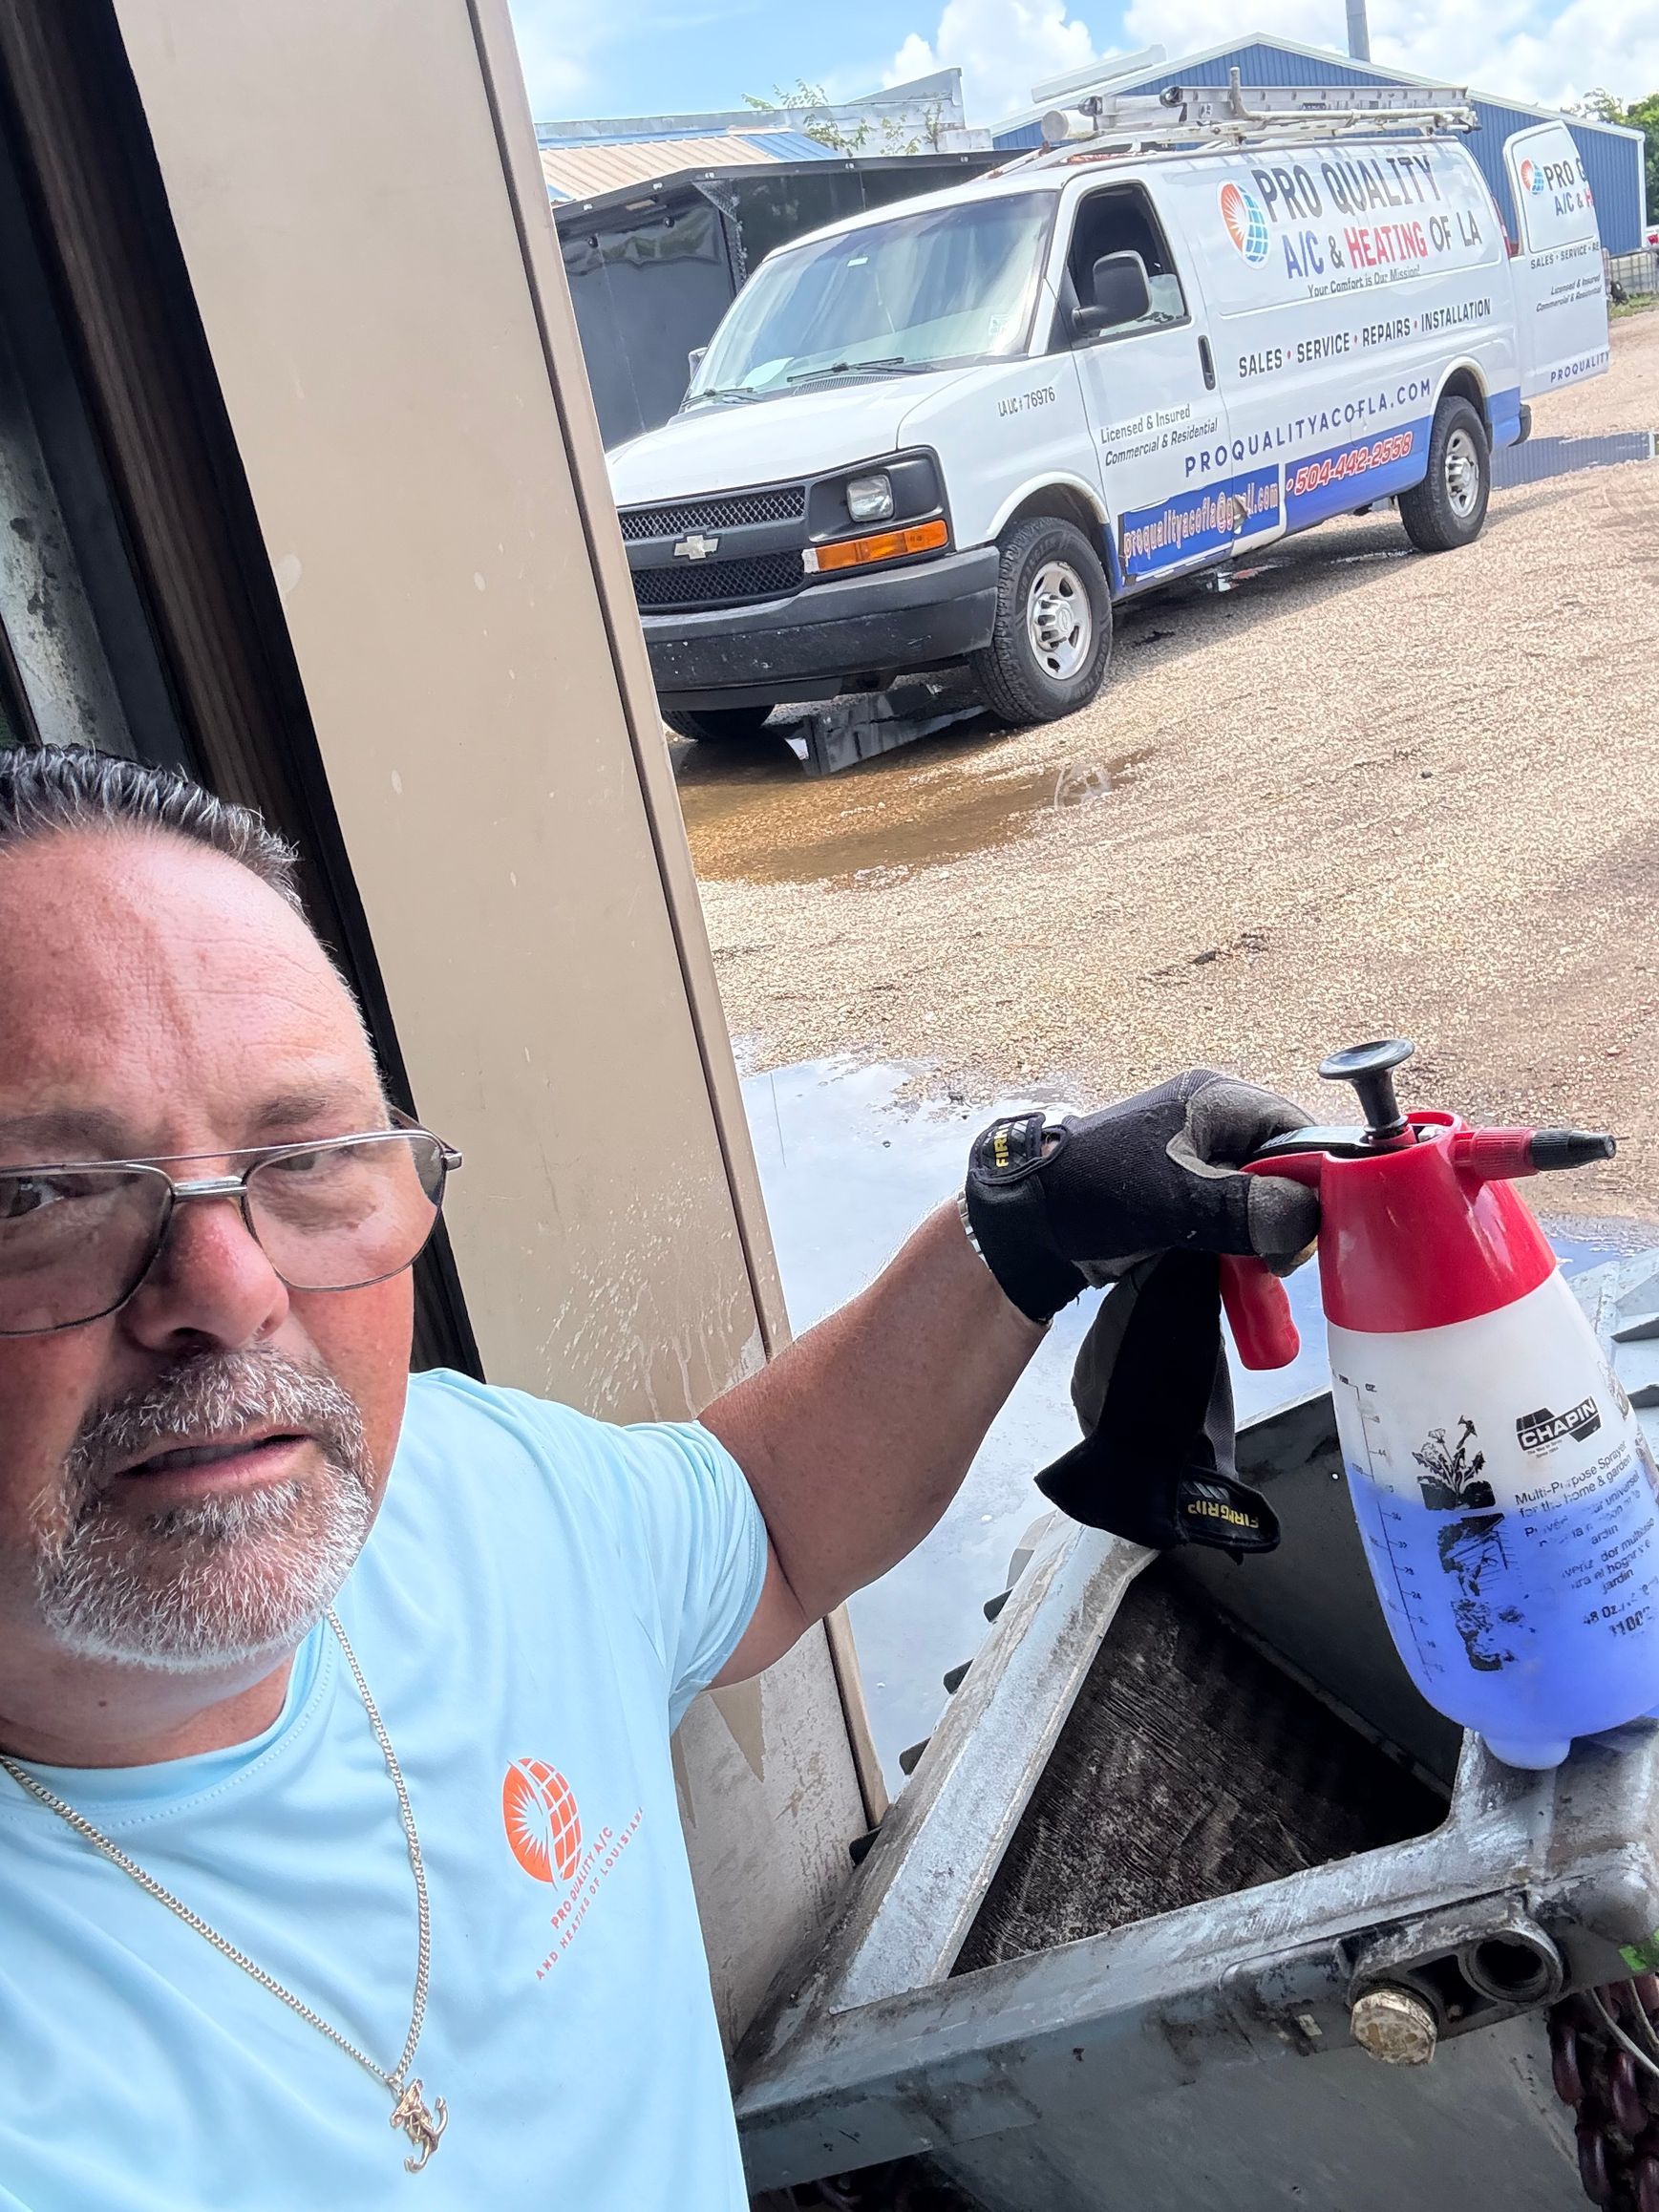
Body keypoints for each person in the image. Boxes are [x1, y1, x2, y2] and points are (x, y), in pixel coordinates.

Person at [0, 747, 1318, 2210]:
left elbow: (766, 1520)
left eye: (305, 1159)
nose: (231, 1291)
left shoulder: (472, 1495)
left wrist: (1021, 1236)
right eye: (33, 1197)